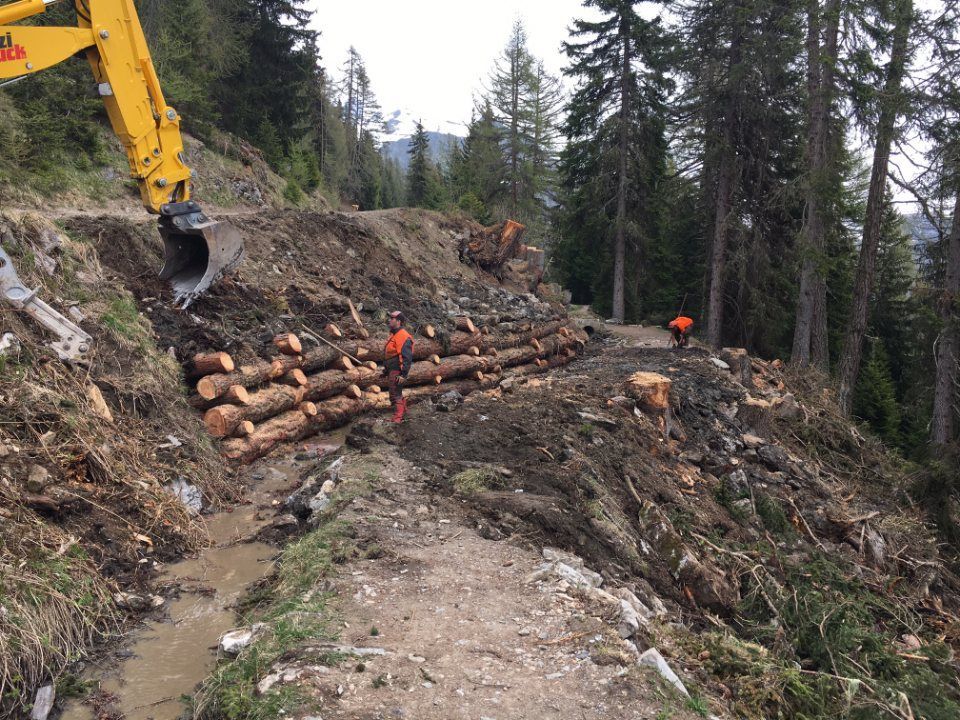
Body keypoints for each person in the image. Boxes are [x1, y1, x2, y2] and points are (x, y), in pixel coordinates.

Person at [383, 311, 414, 423]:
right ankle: (404, 412)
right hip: (392, 369)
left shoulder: (404, 336)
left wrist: (403, 374)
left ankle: (397, 418)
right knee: (397, 392)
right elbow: (391, 353)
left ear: (399, 321)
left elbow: (407, 357)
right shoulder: (394, 334)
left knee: (394, 393)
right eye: (390, 318)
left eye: (392, 318)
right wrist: (386, 369)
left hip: (397, 370)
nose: (390, 320)